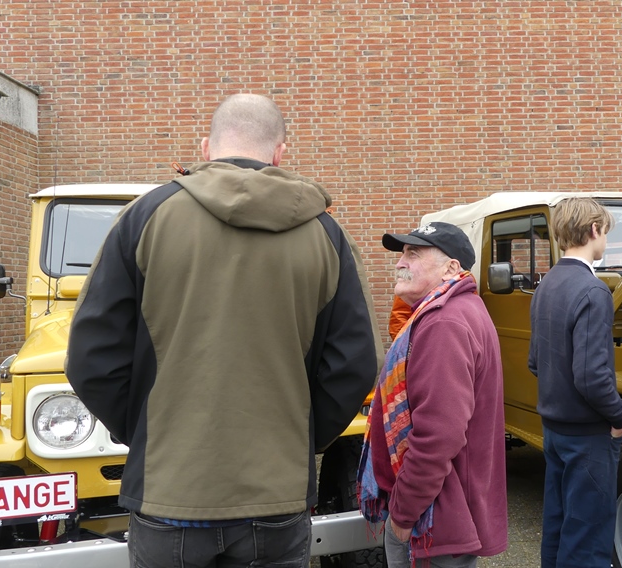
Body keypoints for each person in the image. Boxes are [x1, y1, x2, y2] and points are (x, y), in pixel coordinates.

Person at [65, 93, 382, 568]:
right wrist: (298, 437)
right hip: (275, 495)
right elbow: (356, 364)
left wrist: (149, 431)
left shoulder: (145, 218)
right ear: (279, 153)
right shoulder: (326, 236)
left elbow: (91, 357)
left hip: (169, 490)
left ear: (206, 148)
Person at [358, 221, 508, 567]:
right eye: (402, 254)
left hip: (433, 521)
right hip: (443, 513)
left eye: (413, 254)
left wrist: (403, 514)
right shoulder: (456, 310)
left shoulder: (444, 323)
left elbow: (438, 436)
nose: (400, 263)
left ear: (451, 268)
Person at [528, 197, 622, 568]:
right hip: (588, 437)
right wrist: (620, 416)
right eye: (606, 232)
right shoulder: (593, 291)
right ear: (594, 230)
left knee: (557, 527)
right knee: (587, 538)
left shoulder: (546, 286)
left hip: (553, 431)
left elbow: (535, 362)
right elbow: (591, 376)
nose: (606, 240)